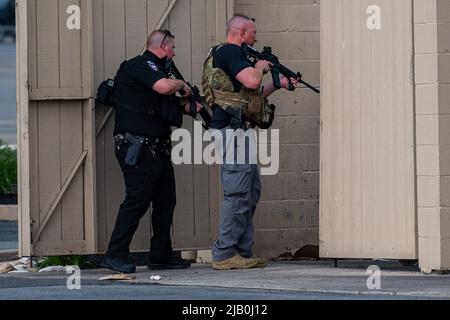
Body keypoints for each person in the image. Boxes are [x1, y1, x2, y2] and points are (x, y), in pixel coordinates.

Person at [202, 15, 299, 270]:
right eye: (253, 33)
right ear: (242, 32)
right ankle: (224, 253)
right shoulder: (231, 52)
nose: (255, 38)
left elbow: (250, 96)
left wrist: (279, 84)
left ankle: (241, 251)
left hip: (240, 131)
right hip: (231, 132)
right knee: (237, 193)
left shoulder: (232, 56)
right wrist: (263, 66)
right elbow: (253, 80)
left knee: (250, 191)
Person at [101, 30, 202, 273]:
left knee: (166, 201)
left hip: (156, 147)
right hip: (138, 146)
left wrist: (190, 105)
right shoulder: (140, 65)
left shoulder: (155, 73)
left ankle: (160, 256)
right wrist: (181, 84)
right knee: (137, 199)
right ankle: (115, 254)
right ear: (164, 46)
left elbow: (161, 104)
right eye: (173, 48)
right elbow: (165, 87)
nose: (174, 53)